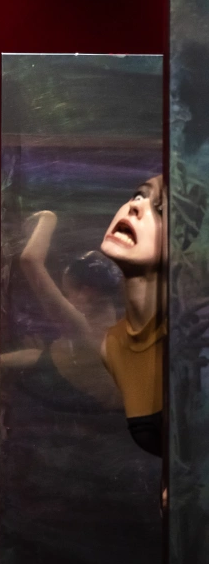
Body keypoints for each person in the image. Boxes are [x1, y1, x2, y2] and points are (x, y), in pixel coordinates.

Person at [100, 176, 165, 457]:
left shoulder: (196, 337)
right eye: (139, 194)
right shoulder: (112, 345)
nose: (136, 205)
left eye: (161, 210)